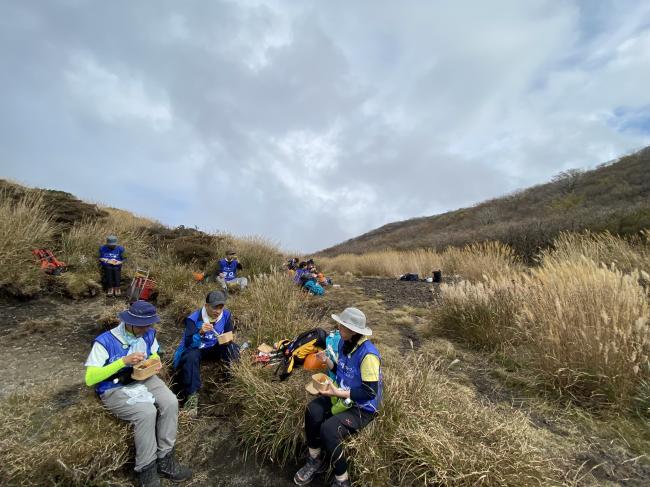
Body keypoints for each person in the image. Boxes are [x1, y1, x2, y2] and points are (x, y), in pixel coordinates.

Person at [84, 301, 192, 487]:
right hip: (114, 386)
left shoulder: (149, 333)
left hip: (143, 377)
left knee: (171, 402)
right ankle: (146, 469)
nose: (146, 329)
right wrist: (122, 362)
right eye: (142, 325)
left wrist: (154, 362)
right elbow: (90, 378)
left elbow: (154, 354)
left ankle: (165, 458)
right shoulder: (105, 341)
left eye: (149, 324)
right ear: (130, 322)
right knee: (146, 412)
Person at [294, 308, 382, 487]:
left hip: (362, 407)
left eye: (342, 326)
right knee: (312, 411)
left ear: (353, 331)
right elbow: (340, 371)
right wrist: (328, 361)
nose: (338, 328)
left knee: (329, 429)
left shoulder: (368, 355)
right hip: (342, 396)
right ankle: (315, 460)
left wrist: (336, 393)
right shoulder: (344, 343)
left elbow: (369, 392)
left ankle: (343, 480)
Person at [173, 290, 240, 415]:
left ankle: (233, 383)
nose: (218, 311)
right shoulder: (194, 319)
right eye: (215, 307)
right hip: (197, 348)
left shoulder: (225, 316)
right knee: (191, 356)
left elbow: (228, 334)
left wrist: (227, 340)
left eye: (221, 307)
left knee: (233, 348)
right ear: (206, 306)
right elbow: (188, 344)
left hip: (214, 346)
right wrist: (200, 332)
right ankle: (192, 398)